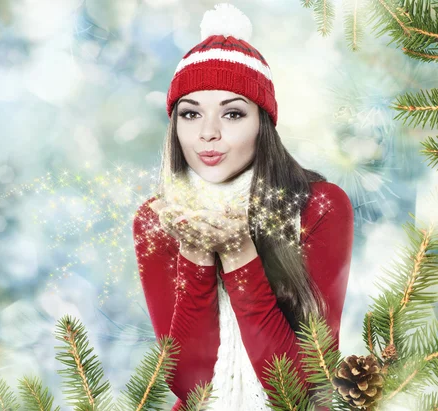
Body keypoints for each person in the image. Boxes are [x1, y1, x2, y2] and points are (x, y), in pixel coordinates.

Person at [131, 3, 354, 410]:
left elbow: (302, 388)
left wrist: (239, 254)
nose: (208, 134)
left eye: (232, 113)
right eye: (190, 114)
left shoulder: (319, 206)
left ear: (262, 123)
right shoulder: (158, 220)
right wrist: (197, 253)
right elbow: (189, 384)